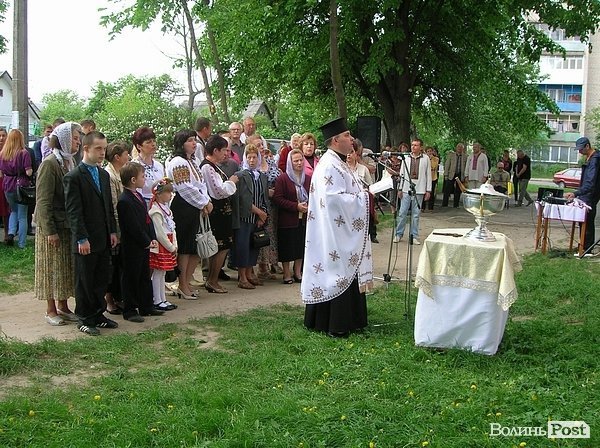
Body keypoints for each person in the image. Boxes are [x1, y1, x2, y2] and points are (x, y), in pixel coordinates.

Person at [302, 118, 372, 337]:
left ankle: (350, 319)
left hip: (335, 230)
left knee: (341, 270)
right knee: (336, 272)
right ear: (335, 140)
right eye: (347, 135)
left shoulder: (337, 162)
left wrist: (361, 195)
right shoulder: (330, 165)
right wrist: (364, 198)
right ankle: (336, 322)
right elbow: (334, 200)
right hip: (333, 233)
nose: (351, 139)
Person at [63, 131, 119, 336]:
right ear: (86, 149)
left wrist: (112, 230)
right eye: (98, 148)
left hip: (103, 236)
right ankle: (84, 318)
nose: (102, 152)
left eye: (104, 148)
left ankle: (98, 314)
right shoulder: (74, 177)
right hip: (86, 238)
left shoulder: (103, 175)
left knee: (101, 278)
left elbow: (108, 206)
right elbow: (74, 211)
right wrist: (81, 237)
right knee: (85, 279)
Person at [34, 122, 82, 326]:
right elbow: (43, 200)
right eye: (75, 138)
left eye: (78, 139)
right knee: (51, 269)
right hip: (52, 226)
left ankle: (63, 306)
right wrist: (49, 230)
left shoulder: (69, 162)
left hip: (66, 224)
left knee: (64, 268)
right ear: (63, 139)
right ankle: (50, 309)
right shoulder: (50, 163)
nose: (78, 142)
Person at [166, 129, 213, 299]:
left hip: (195, 206)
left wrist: (206, 200)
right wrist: (203, 202)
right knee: (185, 247)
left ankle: (187, 281)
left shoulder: (192, 161)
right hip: (183, 206)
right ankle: (182, 284)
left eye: (194, 140)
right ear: (181, 144)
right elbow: (185, 187)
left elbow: (201, 184)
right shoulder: (178, 161)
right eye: (189, 140)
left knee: (194, 248)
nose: (194, 143)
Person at [117, 162, 164, 322]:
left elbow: (146, 220)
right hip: (132, 245)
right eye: (142, 176)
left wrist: (152, 237)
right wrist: (145, 241)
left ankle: (146, 305)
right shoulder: (124, 200)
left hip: (143, 243)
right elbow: (133, 226)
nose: (145, 179)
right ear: (133, 180)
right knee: (131, 277)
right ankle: (130, 310)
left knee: (144, 275)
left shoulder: (138, 196)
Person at [199, 135, 238, 293]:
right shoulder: (207, 167)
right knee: (220, 247)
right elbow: (218, 191)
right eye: (223, 150)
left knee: (222, 247)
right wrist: (231, 182)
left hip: (222, 212)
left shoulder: (213, 166)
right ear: (215, 150)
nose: (226, 154)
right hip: (217, 213)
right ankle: (212, 280)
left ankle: (212, 279)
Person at [233, 144, 269, 289]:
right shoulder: (241, 175)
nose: (252, 160)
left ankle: (249, 274)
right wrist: (259, 212)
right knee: (242, 246)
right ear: (245, 158)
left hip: (257, 219)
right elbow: (242, 199)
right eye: (249, 157)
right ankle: (242, 277)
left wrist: (262, 216)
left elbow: (264, 197)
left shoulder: (262, 176)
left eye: (254, 157)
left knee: (254, 245)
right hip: (245, 217)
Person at [273, 148, 310, 284]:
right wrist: (295, 206)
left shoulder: (308, 178)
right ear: (290, 162)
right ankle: (287, 274)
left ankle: (298, 272)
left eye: (301, 160)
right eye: (296, 161)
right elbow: (278, 198)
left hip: (304, 219)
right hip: (287, 219)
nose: (299, 163)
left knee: (300, 246)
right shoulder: (283, 178)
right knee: (287, 247)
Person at [103, 141, 130, 315]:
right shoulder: (109, 175)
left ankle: (119, 296)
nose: (129, 157)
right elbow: (114, 204)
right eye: (126, 154)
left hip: (124, 223)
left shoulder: (122, 172)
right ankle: (109, 299)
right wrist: (117, 229)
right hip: (116, 225)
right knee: (112, 264)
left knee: (120, 263)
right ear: (117, 157)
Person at [393, 138, 432, 245]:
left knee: (416, 214)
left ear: (421, 147)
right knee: (402, 212)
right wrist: (400, 188)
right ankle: (398, 234)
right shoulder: (406, 157)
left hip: (419, 189)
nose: (413, 147)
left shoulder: (426, 158)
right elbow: (402, 174)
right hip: (406, 188)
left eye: (416, 145)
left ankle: (414, 236)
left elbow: (428, 175)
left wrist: (428, 190)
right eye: (412, 145)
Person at [148, 178, 178, 311]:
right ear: (159, 194)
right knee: (158, 272)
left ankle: (162, 299)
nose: (170, 195)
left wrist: (174, 244)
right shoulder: (155, 211)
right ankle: (157, 299)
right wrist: (170, 246)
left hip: (168, 242)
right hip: (161, 245)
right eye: (168, 192)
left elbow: (172, 228)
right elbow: (159, 233)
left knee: (163, 272)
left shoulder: (166, 209)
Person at [565, 137, 600, 252]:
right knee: (582, 220)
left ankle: (587, 248)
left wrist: (576, 193)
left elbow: (590, 182)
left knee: (587, 220)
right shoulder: (591, 158)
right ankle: (583, 245)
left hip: (590, 194)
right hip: (587, 193)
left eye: (581, 149)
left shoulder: (595, 159)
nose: (580, 152)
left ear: (587, 146)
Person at [0, 129, 33, 249]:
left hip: (7, 185)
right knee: (22, 215)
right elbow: (28, 172)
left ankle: (11, 233)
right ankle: (22, 244)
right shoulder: (23, 153)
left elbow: (1, 173)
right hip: (21, 185)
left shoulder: (3, 153)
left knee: (13, 211)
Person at [131, 127, 165, 206]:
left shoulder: (158, 165)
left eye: (154, 141)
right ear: (139, 146)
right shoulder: (134, 166)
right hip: (144, 205)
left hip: (161, 205)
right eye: (148, 142)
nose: (153, 144)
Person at [442, 143, 467, 208]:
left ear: (463, 149)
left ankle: (456, 205)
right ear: (456, 148)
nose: (459, 148)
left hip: (460, 174)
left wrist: (465, 176)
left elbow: (466, 166)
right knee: (447, 189)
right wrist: (446, 174)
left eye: (461, 147)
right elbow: (447, 165)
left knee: (458, 190)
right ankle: (444, 204)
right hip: (451, 174)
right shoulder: (451, 155)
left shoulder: (465, 156)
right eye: (458, 147)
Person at [0, 127, 10, 243]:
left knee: (5, 209)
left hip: (5, 182)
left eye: (3, 135)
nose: (1, 138)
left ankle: (7, 234)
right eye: (0, 136)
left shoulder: (9, 151)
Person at [425, 146, 439, 210]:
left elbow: (434, 166)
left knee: (432, 192)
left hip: (433, 177)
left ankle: (430, 207)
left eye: (430, 151)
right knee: (424, 192)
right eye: (428, 151)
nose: (429, 152)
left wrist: (430, 159)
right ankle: (423, 207)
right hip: (425, 178)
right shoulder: (424, 158)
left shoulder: (436, 159)